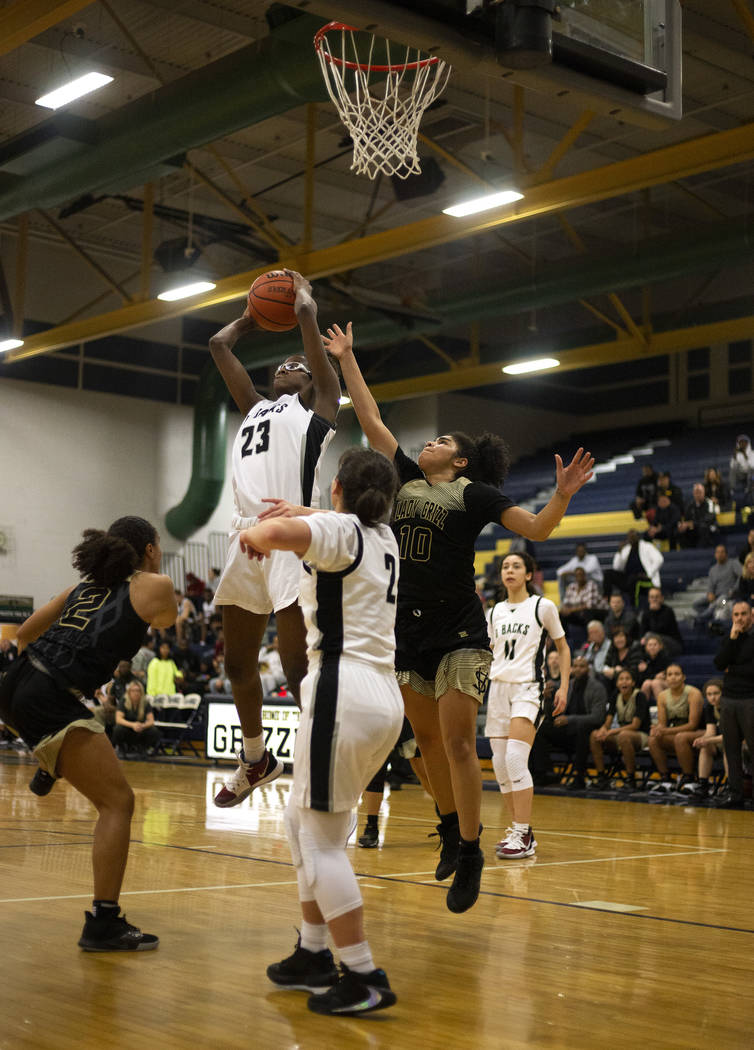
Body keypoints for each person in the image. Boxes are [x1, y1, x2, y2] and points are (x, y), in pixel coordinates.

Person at [322, 320, 593, 913]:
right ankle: (449, 827)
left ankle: (470, 851)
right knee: (424, 746)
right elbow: (371, 421)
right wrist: (346, 358)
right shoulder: (409, 479)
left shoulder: (473, 496)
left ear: (462, 460)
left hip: (461, 631)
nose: (429, 443)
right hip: (408, 630)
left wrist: (564, 493)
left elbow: (538, 529)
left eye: (442, 440)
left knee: (459, 744)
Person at [239, 447, 403, 1015]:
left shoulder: (336, 531)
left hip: (344, 689)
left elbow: (284, 533)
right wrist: (307, 511)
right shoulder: (384, 539)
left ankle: (362, 974)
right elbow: (334, 523)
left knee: (321, 841)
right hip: (380, 694)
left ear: (337, 490)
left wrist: (263, 534)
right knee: (298, 820)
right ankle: (312, 952)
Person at [0, 516, 177, 950]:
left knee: (81, 724)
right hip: (49, 695)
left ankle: (50, 760)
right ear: (150, 550)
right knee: (118, 802)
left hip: (13, 684)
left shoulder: (82, 587)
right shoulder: (155, 584)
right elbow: (168, 620)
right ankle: (104, 922)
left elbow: (23, 634)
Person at [209, 270, 340, 808]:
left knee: (295, 667)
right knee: (237, 664)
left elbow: (314, 345)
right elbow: (218, 345)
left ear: (312, 386)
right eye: (284, 364)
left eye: (302, 368)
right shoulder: (256, 408)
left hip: (290, 535)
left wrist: (303, 304)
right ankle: (256, 757)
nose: (292, 366)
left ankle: (323, 762)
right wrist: (250, 315)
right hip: (245, 538)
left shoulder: (316, 416)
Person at [485, 552, 571, 860]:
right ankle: (521, 831)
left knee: (515, 759)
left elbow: (562, 646)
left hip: (528, 689)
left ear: (528, 575)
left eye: (516, 566)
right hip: (497, 689)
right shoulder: (493, 612)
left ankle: (522, 833)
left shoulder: (542, 606)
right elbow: (490, 652)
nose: (509, 570)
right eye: (505, 566)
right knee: (499, 765)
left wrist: (563, 686)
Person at [529, 656, 607, 790]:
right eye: (575, 666)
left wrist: (570, 719)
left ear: (588, 669)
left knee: (582, 729)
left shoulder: (597, 688)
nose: (578, 669)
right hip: (567, 732)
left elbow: (598, 717)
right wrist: (547, 700)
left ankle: (579, 777)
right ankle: (543, 773)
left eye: (582, 666)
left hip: (586, 733)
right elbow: (552, 715)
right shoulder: (568, 685)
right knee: (540, 727)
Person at [713, 600, 754, 808]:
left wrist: (734, 669)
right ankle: (735, 794)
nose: (739, 618)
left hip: (749, 699)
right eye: (736, 615)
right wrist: (731, 639)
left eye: (743, 614)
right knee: (731, 749)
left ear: (752, 616)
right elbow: (719, 663)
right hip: (728, 699)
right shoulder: (730, 638)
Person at [590, 668, 651, 792]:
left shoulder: (640, 696)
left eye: (627, 679)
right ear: (617, 683)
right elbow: (609, 719)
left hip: (642, 735)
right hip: (622, 734)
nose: (624, 682)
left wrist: (611, 732)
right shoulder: (615, 695)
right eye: (621, 679)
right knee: (594, 735)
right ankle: (602, 777)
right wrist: (603, 730)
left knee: (624, 736)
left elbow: (635, 725)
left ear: (633, 682)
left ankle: (631, 779)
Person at [647, 664, 703, 793]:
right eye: (670, 675)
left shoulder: (693, 693)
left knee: (680, 738)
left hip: (697, 733)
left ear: (683, 677)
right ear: (665, 679)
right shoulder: (662, 696)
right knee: (653, 739)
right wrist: (657, 729)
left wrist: (665, 731)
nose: (673, 678)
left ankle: (689, 778)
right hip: (675, 733)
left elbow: (693, 725)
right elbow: (662, 724)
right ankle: (665, 778)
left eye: (677, 674)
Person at [686, 678, 725, 799]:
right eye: (709, 694)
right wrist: (703, 739)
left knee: (730, 747)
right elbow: (710, 732)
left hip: (737, 742)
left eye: (716, 693)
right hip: (720, 741)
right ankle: (703, 785)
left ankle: (730, 786)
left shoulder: (729, 707)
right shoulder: (709, 708)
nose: (713, 697)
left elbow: (731, 736)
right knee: (705, 747)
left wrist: (708, 740)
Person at [601, 530, 663, 603]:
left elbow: (659, 559)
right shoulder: (627, 549)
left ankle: (633, 605)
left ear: (638, 537)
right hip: (628, 577)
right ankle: (606, 599)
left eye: (633, 536)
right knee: (608, 573)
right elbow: (616, 567)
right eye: (630, 537)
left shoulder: (647, 547)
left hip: (644, 577)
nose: (631, 538)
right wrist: (619, 552)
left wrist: (649, 574)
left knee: (633, 579)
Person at [692, 544, 742, 626]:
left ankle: (699, 618)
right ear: (715, 555)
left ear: (726, 554)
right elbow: (710, 586)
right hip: (716, 597)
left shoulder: (733, 563)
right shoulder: (713, 569)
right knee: (696, 604)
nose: (720, 554)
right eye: (718, 552)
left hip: (727, 598)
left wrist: (733, 590)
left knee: (720, 601)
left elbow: (742, 577)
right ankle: (710, 615)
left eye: (722, 552)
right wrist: (709, 593)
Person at [113, 679, 161, 756]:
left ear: (141, 692)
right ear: (129, 692)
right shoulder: (123, 701)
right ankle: (122, 749)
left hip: (140, 729)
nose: (136, 693)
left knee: (154, 731)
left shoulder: (145, 702)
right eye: (133, 690)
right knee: (118, 729)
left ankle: (143, 748)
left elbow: (151, 721)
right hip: (128, 728)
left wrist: (143, 726)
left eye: (138, 691)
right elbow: (118, 719)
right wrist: (132, 725)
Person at [558, 567, 607, 641]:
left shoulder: (591, 585)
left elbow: (589, 605)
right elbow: (566, 603)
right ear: (575, 577)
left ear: (585, 576)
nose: (579, 577)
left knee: (587, 612)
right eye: (577, 575)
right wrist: (564, 609)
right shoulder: (572, 587)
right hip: (580, 613)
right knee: (561, 614)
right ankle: (565, 639)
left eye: (581, 574)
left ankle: (590, 638)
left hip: (599, 612)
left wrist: (570, 610)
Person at [639, 587, 683, 658]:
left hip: (672, 643)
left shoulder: (668, 611)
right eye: (652, 597)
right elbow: (642, 631)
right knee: (641, 642)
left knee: (649, 635)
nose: (654, 599)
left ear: (662, 598)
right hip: (654, 643)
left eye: (657, 597)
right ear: (648, 599)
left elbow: (660, 630)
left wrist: (653, 613)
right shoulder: (646, 612)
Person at [676, 483, 718, 549]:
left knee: (703, 527)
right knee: (681, 530)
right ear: (693, 493)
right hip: (695, 527)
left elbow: (709, 518)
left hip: (709, 527)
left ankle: (701, 551)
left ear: (704, 492)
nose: (698, 494)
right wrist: (684, 525)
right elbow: (687, 519)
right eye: (696, 492)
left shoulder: (709, 503)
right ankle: (686, 552)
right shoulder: (690, 505)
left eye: (700, 492)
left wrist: (693, 523)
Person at [637, 633, 670, 702]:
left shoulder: (665, 657)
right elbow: (641, 678)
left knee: (655, 683)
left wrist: (648, 671)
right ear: (646, 647)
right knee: (647, 683)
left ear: (660, 646)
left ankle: (663, 709)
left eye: (655, 644)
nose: (652, 647)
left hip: (664, 684)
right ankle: (642, 710)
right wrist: (654, 675)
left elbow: (665, 674)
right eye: (650, 645)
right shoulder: (642, 658)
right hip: (647, 684)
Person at [728, 434, 754, 511]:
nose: (742, 444)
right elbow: (733, 466)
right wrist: (735, 457)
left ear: (748, 443)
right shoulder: (737, 454)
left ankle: (748, 488)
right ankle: (732, 489)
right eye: (740, 442)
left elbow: (752, 466)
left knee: (750, 470)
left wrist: (745, 455)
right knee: (732, 470)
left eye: (744, 442)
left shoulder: (752, 453)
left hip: (751, 475)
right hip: (741, 475)